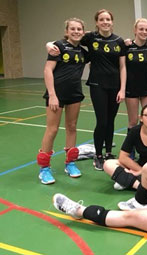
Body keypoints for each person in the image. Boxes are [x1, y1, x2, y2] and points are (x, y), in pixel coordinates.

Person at [47, 9, 126, 171]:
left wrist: (122, 89)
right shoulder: (89, 38)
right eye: (102, 19)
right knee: (101, 121)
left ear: (112, 21)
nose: (105, 22)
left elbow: (122, 66)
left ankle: (109, 153)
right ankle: (98, 155)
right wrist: (49, 44)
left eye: (108, 19)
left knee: (109, 121)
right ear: (96, 23)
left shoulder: (119, 41)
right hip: (97, 86)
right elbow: (67, 40)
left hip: (112, 87)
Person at [37, 18, 88, 184]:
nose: (76, 31)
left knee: (72, 127)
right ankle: (44, 169)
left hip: (74, 94)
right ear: (67, 31)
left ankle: (70, 163)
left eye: (79, 29)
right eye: (72, 29)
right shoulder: (57, 47)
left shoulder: (83, 52)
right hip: (56, 95)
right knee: (52, 130)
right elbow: (47, 70)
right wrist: (52, 94)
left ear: (83, 31)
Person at [103, 103, 147, 191]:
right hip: (139, 165)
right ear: (141, 118)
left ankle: (126, 181)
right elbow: (123, 157)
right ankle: (140, 187)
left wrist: (140, 172)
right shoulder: (134, 131)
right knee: (108, 164)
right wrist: (140, 170)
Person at [125, 18, 147, 134]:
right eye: (141, 29)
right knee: (133, 121)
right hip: (131, 88)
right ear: (135, 30)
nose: (144, 32)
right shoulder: (127, 47)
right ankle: (131, 149)